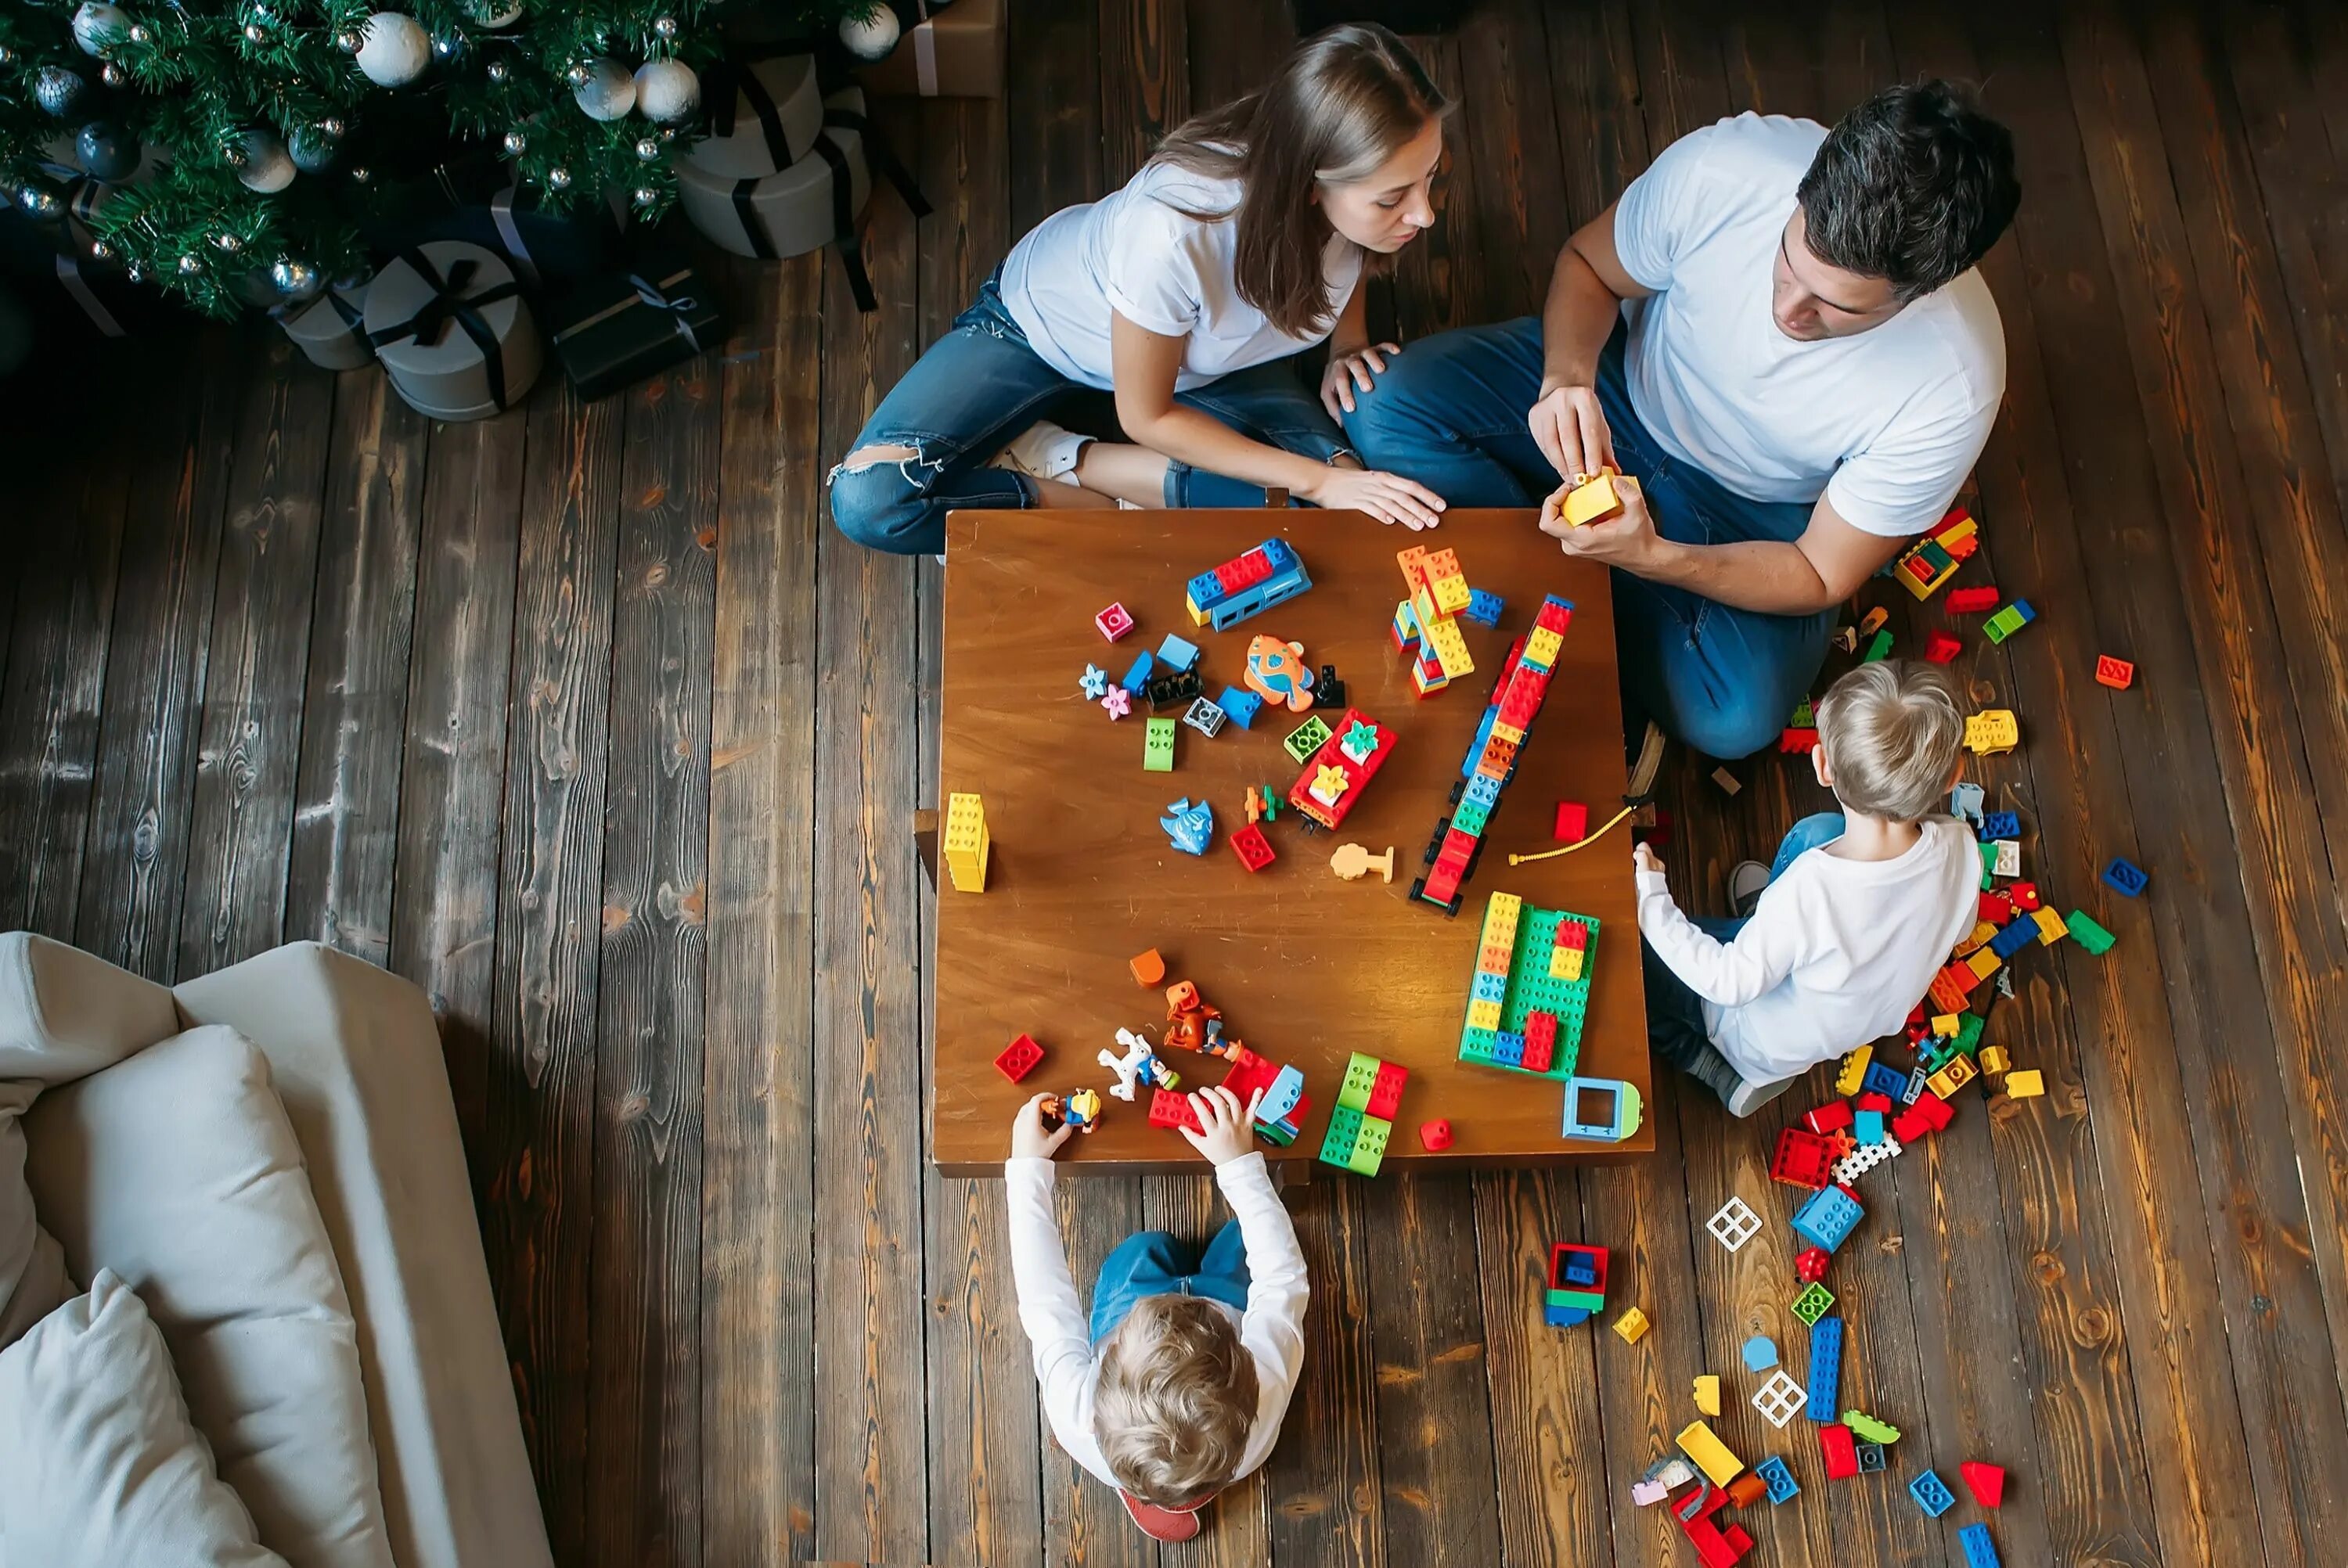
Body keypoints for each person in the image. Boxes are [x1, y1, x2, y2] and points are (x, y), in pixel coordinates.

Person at [1341, 81, 2020, 761]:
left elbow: (1819, 574)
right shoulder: (1727, 168)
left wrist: (1660, 558)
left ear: (1921, 292)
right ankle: (1579, 590)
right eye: (1789, 264)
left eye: (1836, 308)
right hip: (1618, 387)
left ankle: (1553, 581)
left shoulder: (1953, 382)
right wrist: (1566, 378)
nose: (1788, 313)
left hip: (1749, 515)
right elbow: (1589, 266)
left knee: (1736, 718)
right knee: (1383, 405)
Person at [829, 23, 1452, 555]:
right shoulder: (1175, 230)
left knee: (1344, 511)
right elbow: (1146, 413)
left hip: (1204, 369)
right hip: (1041, 337)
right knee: (871, 503)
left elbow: (1352, 256)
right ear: (1309, 182)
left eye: (1429, 178)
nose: (1424, 215)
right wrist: (1317, 481)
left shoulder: (1354, 202)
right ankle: (1065, 481)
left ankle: (1079, 454)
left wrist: (1348, 341)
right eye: (1394, 199)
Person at [1633, 660, 1980, 1115]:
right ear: (1954, 776)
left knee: (1638, 954)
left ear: (1822, 767)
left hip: (1752, 1035)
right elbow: (1960, 927)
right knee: (1818, 833)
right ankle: (1770, 937)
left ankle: (1710, 1063)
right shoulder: (1960, 845)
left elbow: (1725, 981)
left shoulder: (1812, 893)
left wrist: (1651, 899)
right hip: (1836, 1024)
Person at [1006, 1084, 1306, 1543]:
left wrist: (1028, 1169)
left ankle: (1164, 1501)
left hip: (1139, 1299)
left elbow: (1044, 1297)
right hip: (1228, 1303)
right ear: (1246, 1369)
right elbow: (1283, 1277)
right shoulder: (1262, 1399)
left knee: (1144, 1249)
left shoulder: (1075, 1415)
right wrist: (1240, 1167)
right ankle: (1174, 1498)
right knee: (1241, 1238)